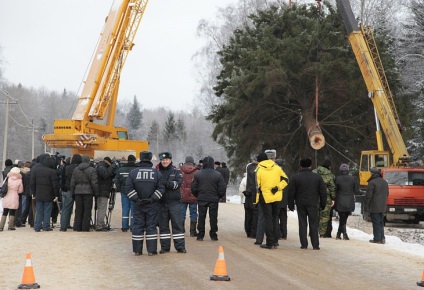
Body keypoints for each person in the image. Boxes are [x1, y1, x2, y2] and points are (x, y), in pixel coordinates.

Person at [126, 151, 165, 256]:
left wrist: (137, 199)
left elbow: (128, 188)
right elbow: (161, 189)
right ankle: (151, 251)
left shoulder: (133, 173)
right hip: (152, 205)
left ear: (141, 159)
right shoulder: (156, 173)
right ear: (150, 159)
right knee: (151, 226)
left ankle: (137, 250)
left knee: (137, 226)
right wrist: (152, 199)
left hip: (137, 205)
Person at [288, 157, 327, 250]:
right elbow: (323, 192)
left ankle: (304, 244)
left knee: (302, 223)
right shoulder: (317, 177)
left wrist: (291, 204)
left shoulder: (295, 177)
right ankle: (315, 244)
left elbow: (291, 192)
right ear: (311, 166)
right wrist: (323, 203)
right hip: (313, 203)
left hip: (300, 203)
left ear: (301, 166)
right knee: (313, 223)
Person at [254, 153, 288, 249]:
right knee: (275, 218)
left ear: (259, 161)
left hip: (265, 197)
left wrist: (256, 200)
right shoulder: (277, 168)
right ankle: (275, 241)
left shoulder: (258, 170)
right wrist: (277, 188)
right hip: (276, 196)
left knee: (268, 219)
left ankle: (270, 242)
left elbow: (257, 187)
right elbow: (286, 179)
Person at [191, 156, 226, 241]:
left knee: (201, 217)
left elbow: (193, 187)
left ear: (204, 163)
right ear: (212, 164)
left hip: (202, 198)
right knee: (213, 217)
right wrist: (219, 196)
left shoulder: (198, 174)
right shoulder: (217, 174)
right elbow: (222, 187)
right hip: (213, 199)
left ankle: (200, 234)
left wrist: (198, 195)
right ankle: (213, 234)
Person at [157, 152, 186, 254]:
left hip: (174, 203)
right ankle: (165, 247)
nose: (165, 161)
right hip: (161, 203)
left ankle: (180, 247)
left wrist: (166, 183)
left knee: (177, 225)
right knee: (163, 227)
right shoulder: (157, 172)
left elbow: (177, 184)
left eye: (167, 160)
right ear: (160, 161)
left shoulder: (177, 171)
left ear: (170, 160)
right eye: (163, 160)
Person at [30, 154, 60, 232]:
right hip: (48, 194)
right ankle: (46, 226)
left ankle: (37, 226)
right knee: (47, 210)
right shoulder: (52, 171)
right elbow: (55, 185)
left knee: (39, 210)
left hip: (38, 194)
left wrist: (33, 192)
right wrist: (56, 194)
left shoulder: (36, 171)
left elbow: (32, 183)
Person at [70, 155, 98, 232]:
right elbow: (94, 183)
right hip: (88, 192)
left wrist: (72, 193)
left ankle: (77, 227)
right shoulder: (92, 170)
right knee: (87, 210)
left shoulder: (76, 169)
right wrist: (96, 193)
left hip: (78, 191)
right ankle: (85, 227)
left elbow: (72, 183)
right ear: (89, 160)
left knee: (78, 210)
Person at [114, 154, 138, 232]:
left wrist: (120, 188)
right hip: (134, 192)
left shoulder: (121, 169)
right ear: (134, 160)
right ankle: (132, 226)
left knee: (125, 209)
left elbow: (116, 180)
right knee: (133, 209)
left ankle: (124, 227)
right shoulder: (137, 169)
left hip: (124, 192)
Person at [334, 163, 358, 240]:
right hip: (349, 201)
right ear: (348, 170)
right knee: (344, 218)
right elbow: (356, 190)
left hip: (340, 200)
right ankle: (342, 234)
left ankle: (341, 234)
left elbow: (335, 190)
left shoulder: (337, 179)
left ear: (340, 170)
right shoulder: (353, 179)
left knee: (342, 217)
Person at [365, 167, 389, 244]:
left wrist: (367, 205)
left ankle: (377, 238)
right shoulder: (385, 182)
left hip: (374, 205)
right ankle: (382, 238)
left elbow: (369, 196)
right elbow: (387, 194)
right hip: (382, 205)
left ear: (372, 173)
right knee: (381, 222)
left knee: (376, 222)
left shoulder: (372, 182)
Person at [313, 159, 336, 238]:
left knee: (314, 215)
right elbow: (332, 187)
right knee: (325, 216)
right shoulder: (330, 174)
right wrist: (333, 197)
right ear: (329, 166)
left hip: (314, 196)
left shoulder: (314, 172)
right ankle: (322, 233)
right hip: (326, 197)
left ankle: (313, 231)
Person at [60, 154, 82, 231]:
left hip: (68, 190)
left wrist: (63, 189)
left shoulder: (66, 168)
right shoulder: (80, 168)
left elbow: (62, 180)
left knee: (66, 208)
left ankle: (63, 226)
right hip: (78, 190)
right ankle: (77, 225)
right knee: (79, 209)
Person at [180, 156, 200, 237]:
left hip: (182, 195)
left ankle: (181, 230)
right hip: (193, 195)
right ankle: (192, 231)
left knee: (181, 213)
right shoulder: (197, 172)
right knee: (193, 213)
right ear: (192, 162)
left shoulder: (180, 170)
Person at [95, 156, 117, 231]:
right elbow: (105, 175)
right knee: (102, 208)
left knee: (102, 208)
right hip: (102, 191)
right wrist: (112, 166)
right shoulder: (101, 167)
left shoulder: (102, 167)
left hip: (103, 191)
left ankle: (101, 223)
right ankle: (99, 224)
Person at [275, 158, 289, 240]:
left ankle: (278, 233)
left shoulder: (275, 175)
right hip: (284, 200)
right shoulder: (286, 175)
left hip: (277, 198)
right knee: (283, 218)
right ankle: (284, 234)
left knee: (276, 217)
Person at [244, 160, 258, 239]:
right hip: (255, 194)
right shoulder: (258, 169)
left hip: (248, 194)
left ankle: (248, 231)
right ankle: (253, 232)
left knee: (248, 213)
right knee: (255, 213)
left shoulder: (249, 167)